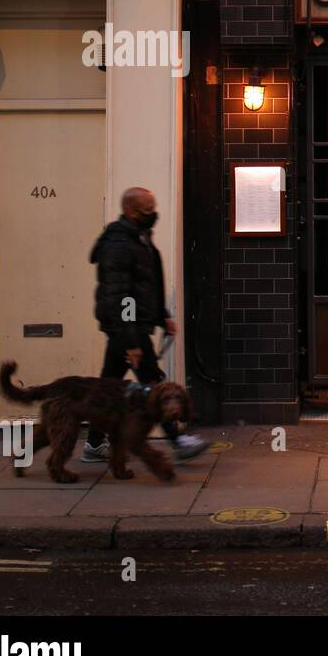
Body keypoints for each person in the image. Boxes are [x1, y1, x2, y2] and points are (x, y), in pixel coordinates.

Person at [83, 187, 209, 463]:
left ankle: (94, 443)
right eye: (147, 209)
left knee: (108, 387)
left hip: (130, 327)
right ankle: (178, 440)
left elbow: (145, 285)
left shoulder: (138, 237)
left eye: (154, 207)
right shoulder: (120, 244)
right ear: (130, 210)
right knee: (155, 386)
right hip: (128, 329)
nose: (153, 214)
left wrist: (161, 315)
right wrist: (130, 341)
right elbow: (121, 296)